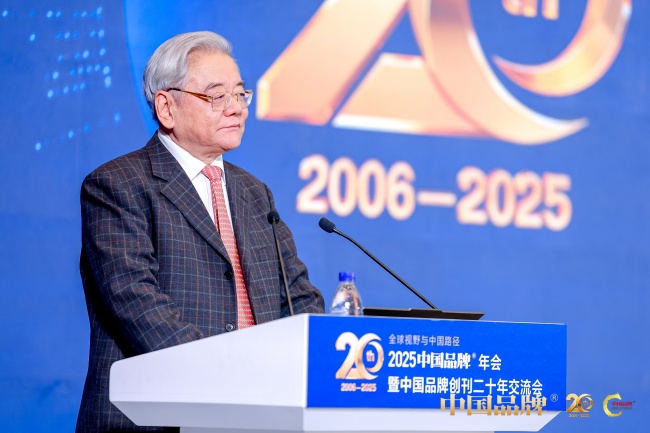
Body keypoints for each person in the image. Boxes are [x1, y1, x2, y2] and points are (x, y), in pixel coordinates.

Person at [76, 31, 324, 433]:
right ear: (166, 107)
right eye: (217, 96)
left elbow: (298, 298)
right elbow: (137, 302)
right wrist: (229, 379)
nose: (236, 108)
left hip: (256, 418)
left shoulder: (255, 193)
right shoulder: (117, 185)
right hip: (156, 418)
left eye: (241, 94)